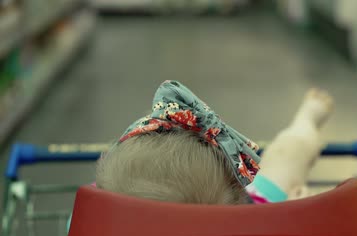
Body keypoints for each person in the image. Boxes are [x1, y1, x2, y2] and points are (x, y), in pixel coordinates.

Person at [96, 80, 333, 204]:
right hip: (260, 225)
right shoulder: (263, 230)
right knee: (288, 154)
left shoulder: (101, 234)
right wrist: (297, 220)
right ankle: (307, 121)